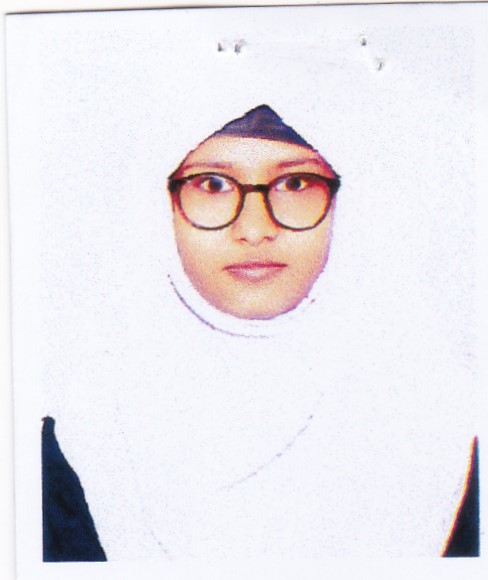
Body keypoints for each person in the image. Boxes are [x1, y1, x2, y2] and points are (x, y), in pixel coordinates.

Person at [42, 105, 478, 561]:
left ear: (348, 205)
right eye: (212, 184)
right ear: (159, 206)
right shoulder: (76, 444)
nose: (254, 229)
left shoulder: (441, 436)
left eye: (295, 183)